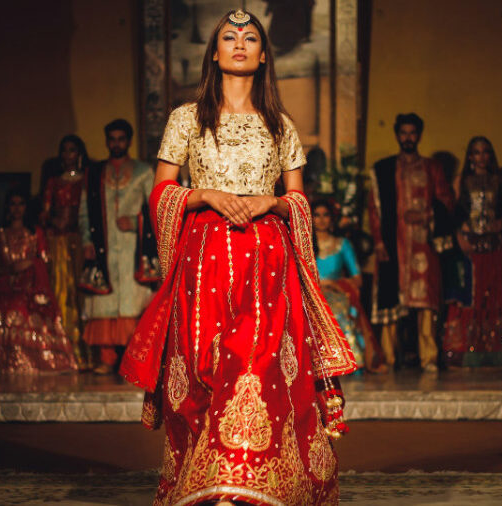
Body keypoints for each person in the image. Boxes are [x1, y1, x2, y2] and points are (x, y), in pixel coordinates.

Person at [118, 10, 357, 504]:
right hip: (204, 262)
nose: (240, 44)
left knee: (259, 368)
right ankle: (208, 483)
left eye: (250, 38)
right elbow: (162, 191)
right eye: (229, 37)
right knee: (208, 371)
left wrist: (273, 202)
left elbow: (299, 200)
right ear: (215, 52)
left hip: (268, 263)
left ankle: (246, 490)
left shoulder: (280, 124)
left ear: (264, 54)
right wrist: (202, 194)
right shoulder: (186, 118)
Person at [368, 112, 455, 372]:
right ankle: (389, 358)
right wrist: (379, 242)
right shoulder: (384, 169)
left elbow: (446, 201)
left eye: (412, 133)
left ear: (419, 135)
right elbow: (374, 208)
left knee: (425, 303)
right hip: (394, 243)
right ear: (397, 135)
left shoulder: (432, 167)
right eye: (403, 133)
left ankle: (429, 358)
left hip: (422, 245)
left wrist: (427, 214)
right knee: (390, 302)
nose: (408, 137)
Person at [0, 188, 78, 373]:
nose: (17, 209)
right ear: (7, 208)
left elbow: (45, 262)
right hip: (3, 288)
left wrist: (30, 264)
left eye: (21, 204)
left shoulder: (35, 234)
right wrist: (9, 269)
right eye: (13, 204)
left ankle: (32, 362)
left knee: (25, 308)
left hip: (30, 289)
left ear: (27, 208)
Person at [79, 119, 157, 375]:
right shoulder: (94, 174)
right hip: (103, 246)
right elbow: (84, 212)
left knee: (132, 302)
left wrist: (136, 223)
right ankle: (107, 358)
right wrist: (87, 241)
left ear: (129, 141)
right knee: (104, 302)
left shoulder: (144, 171)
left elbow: (155, 209)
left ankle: (131, 360)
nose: (116, 144)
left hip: (133, 249)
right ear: (106, 141)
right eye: (112, 139)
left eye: (121, 139)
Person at [441, 137, 502, 367]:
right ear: (470, 157)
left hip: (493, 247)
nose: (481, 156)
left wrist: (501, 224)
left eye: (485, 152)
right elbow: (451, 214)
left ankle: (494, 351)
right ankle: (464, 350)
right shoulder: (461, 181)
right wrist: (459, 236)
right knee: (470, 297)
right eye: (476, 152)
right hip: (469, 247)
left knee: (494, 296)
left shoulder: (499, 181)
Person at [313, 199, 384, 373]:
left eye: (326, 215)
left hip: (336, 293)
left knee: (338, 310)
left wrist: (333, 284)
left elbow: (357, 278)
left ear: (332, 219)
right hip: (310, 294)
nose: (321, 219)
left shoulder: (342, 244)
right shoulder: (303, 243)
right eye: (317, 215)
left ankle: (348, 362)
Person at [41, 134, 93, 366]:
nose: (67, 155)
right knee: (61, 290)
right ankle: (63, 352)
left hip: (82, 242)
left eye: (72, 150)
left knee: (82, 294)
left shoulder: (88, 181)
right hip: (59, 242)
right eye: (64, 150)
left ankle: (85, 353)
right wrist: (53, 224)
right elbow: (44, 212)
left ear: (79, 154)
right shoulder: (54, 182)